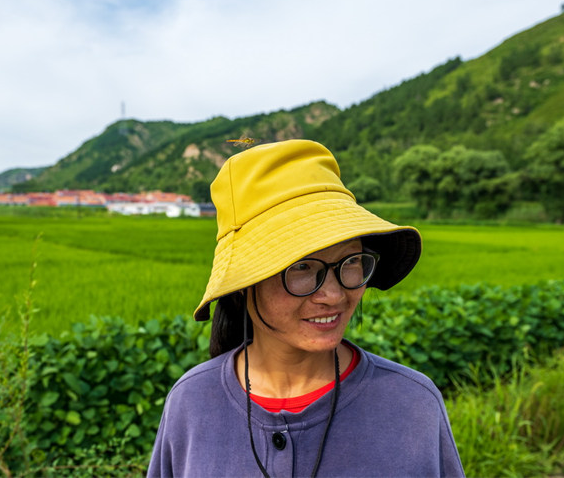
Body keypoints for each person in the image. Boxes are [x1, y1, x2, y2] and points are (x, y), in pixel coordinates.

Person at [147, 139, 464, 478]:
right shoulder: (192, 404)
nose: (333, 294)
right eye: (301, 267)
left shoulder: (412, 404)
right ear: (242, 285)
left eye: (351, 261)